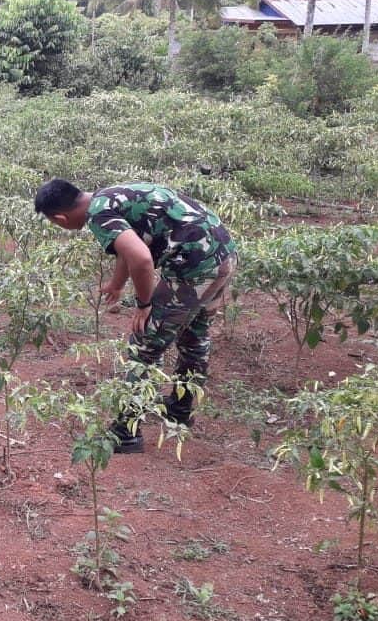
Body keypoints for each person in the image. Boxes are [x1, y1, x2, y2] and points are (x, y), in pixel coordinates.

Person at [33, 179, 237, 453]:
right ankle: (179, 410)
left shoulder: (98, 215)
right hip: (222, 255)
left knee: (145, 343)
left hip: (194, 268)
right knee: (193, 336)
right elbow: (129, 247)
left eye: (56, 223)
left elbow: (141, 259)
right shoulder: (109, 196)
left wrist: (144, 304)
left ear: (61, 217)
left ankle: (126, 432)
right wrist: (117, 285)